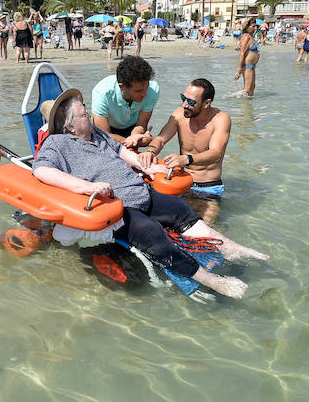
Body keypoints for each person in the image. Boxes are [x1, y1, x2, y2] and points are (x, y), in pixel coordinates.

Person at [33, 89, 268, 299]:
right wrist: (86, 187)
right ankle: (213, 281)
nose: (91, 116)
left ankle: (230, 247)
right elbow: (41, 169)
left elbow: (120, 150)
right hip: (116, 206)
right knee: (152, 233)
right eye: (85, 114)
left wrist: (147, 166)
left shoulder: (96, 133)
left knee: (180, 209)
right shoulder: (57, 143)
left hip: (138, 189)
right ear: (71, 126)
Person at [138, 79, 230, 224]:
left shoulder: (221, 119)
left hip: (207, 189)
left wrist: (187, 159)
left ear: (207, 103)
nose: (184, 105)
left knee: (201, 229)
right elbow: (161, 139)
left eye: (191, 102)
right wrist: (150, 151)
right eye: (183, 98)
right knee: (153, 221)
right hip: (179, 182)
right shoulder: (180, 115)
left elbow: (216, 153)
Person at [91, 55, 160, 147]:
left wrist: (136, 136)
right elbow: (103, 135)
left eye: (146, 88)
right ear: (122, 87)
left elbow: (141, 124)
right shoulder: (101, 93)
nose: (145, 94)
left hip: (132, 127)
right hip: (108, 129)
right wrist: (131, 142)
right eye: (138, 91)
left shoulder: (153, 89)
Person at [234, 18, 260, 96]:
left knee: (252, 89)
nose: (254, 28)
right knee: (247, 90)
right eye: (253, 26)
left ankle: (247, 107)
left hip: (251, 66)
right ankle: (228, 97)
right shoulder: (246, 37)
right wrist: (239, 70)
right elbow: (242, 53)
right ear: (247, 27)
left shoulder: (250, 37)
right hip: (247, 66)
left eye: (255, 26)